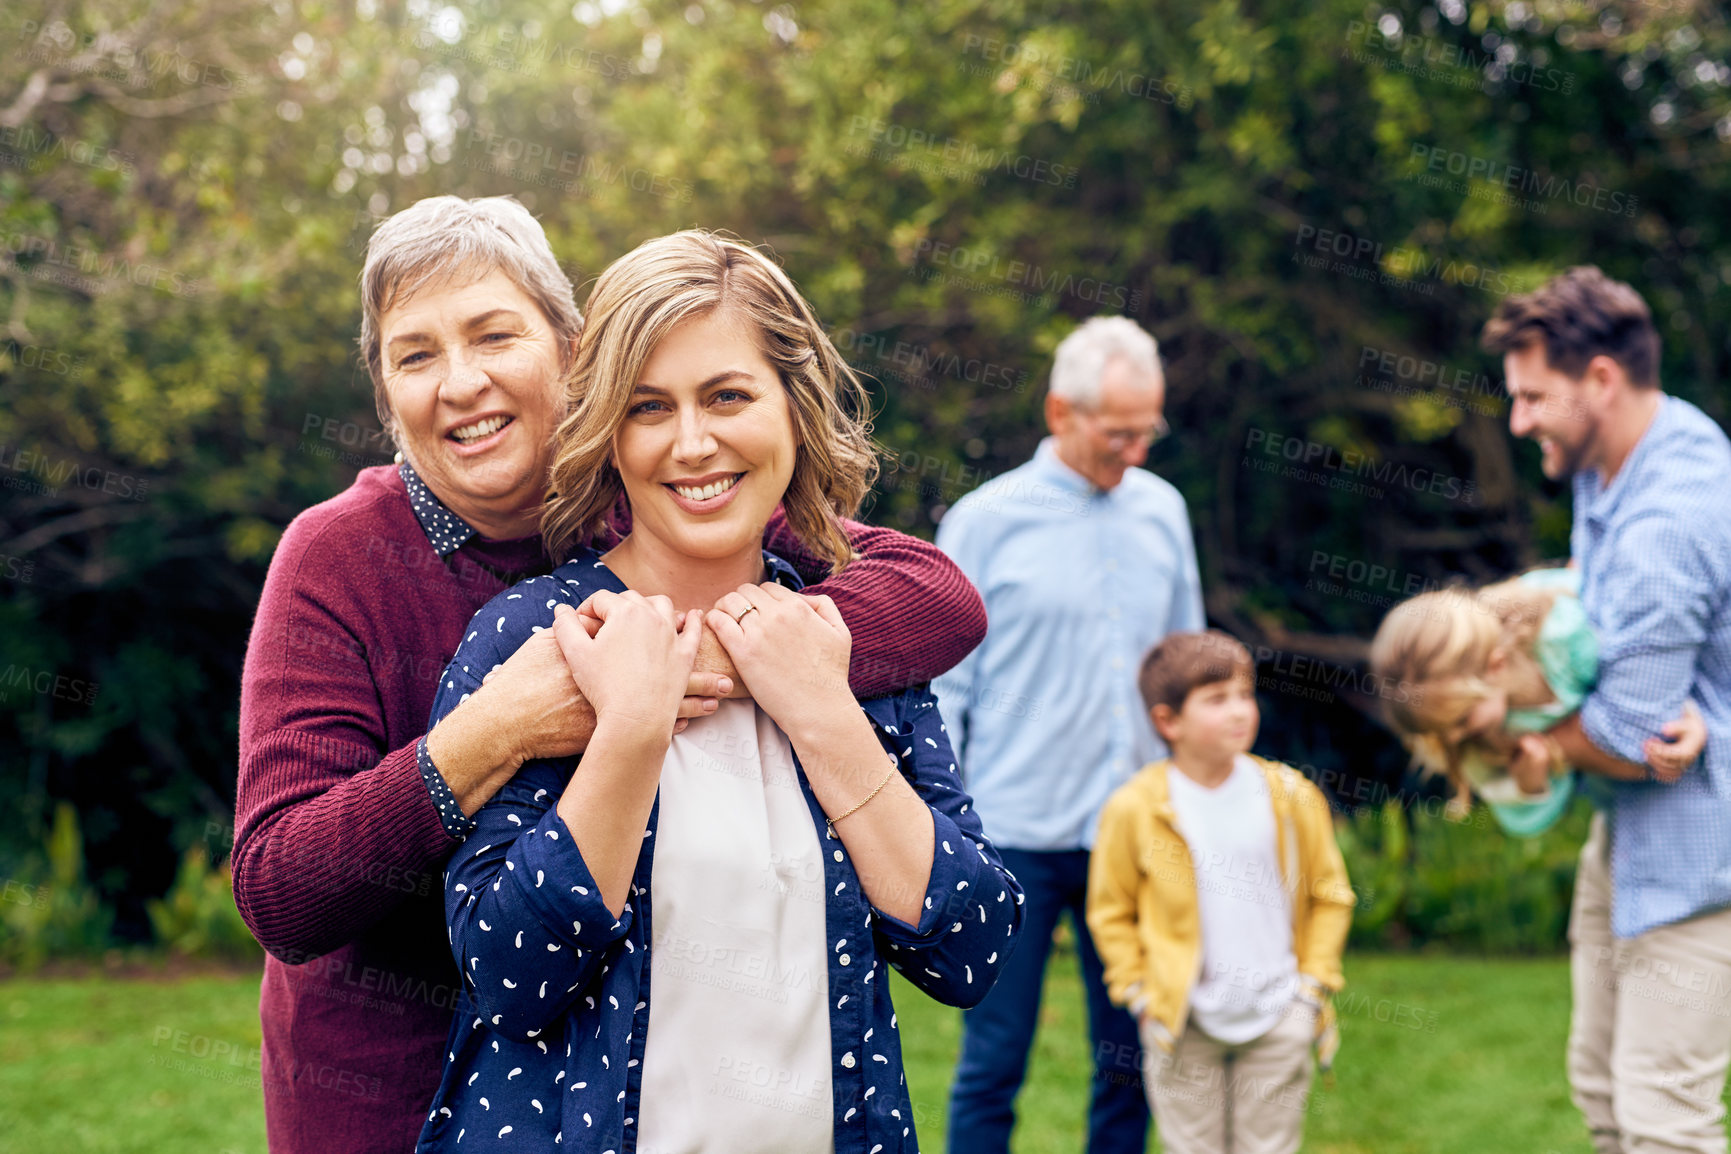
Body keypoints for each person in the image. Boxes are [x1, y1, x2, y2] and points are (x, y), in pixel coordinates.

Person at [233, 197, 988, 1154]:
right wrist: (498, 726)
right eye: (415, 355)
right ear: (387, 392)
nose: (460, 381)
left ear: (570, 347)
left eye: (493, 334)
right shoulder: (338, 555)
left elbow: (936, 594)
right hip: (387, 1083)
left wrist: (703, 654)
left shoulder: (664, 503)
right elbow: (281, 888)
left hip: (648, 1074)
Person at [936, 316, 1205, 1154]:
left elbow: (1184, 669)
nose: (1136, 450)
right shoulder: (985, 521)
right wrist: (948, 825)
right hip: (1010, 831)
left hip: (1133, 831)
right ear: (1060, 413)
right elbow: (946, 690)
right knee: (993, 1060)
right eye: (1117, 432)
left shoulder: (1163, 512)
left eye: (1147, 430)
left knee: (1131, 1058)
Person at [1481, 265, 1731, 1154]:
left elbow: (1630, 738)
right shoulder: (1616, 463)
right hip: (1632, 834)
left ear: (1600, 379)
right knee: (1604, 1095)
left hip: (1702, 851)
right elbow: (1601, 620)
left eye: (1532, 397)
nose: (1519, 422)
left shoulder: (1669, 514)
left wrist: (1490, 734)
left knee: (1664, 1121)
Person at [1087, 630, 1354, 1154]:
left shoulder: (1291, 795)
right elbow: (1110, 911)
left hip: (1279, 1017)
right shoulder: (1133, 808)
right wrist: (1141, 995)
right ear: (1168, 721)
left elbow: (1330, 894)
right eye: (1216, 700)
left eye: (1244, 694)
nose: (1239, 711)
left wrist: (1310, 991)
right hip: (1183, 1024)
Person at [1369, 565, 1706, 836]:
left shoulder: (1560, 634)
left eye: (1461, 720)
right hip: (1623, 808)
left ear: (1496, 666)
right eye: (1442, 729)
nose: (1454, 736)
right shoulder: (1473, 739)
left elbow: (1643, 662)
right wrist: (1530, 784)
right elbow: (1523, 822)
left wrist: (1686, 711)